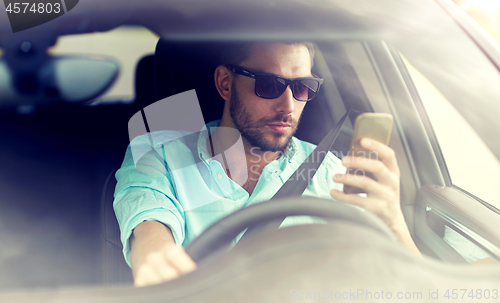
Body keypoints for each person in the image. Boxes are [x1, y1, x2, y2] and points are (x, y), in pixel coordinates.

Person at [113, 41, 421, 287]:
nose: (288, 106)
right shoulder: (161, 153)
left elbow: (411, 286)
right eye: (270, 84)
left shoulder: (333, 174)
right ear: (225, 83)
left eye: (302, 87)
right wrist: (156, 255)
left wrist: (394, 224)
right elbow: (149, 221)